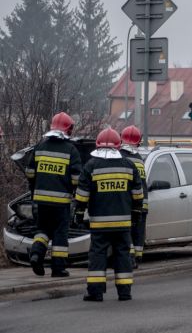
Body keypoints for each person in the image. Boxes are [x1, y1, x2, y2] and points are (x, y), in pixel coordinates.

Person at [75, 127, 144, 301]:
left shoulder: (91, 166)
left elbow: (82, 194)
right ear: (118, 145)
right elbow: (138, 194)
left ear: (98, 145)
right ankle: (125, 292)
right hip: (123, 223)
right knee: (123, 255)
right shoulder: (129, 165)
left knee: (98, 255)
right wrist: (136, 214)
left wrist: (79, 213)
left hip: (100, 224)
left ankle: (96, 292)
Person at [27, 112, 82, 277]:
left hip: (40, 201)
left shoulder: (40, 146)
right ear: (68, 129)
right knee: (60, 234)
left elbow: (29, 172)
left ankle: (36, 254)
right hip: (61, 202)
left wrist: (34, 188)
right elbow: (76, 178)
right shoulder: (71, 150)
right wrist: (74, 193)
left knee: (42, 230)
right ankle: (58, 269)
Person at [120, 125, 148, 269]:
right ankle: (138, 257)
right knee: (139, 232)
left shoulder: (121, 157)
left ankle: (130, 258)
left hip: (130, 203)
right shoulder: (139, 159)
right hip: (143, 203)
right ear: (138, 141)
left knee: (127, 232)